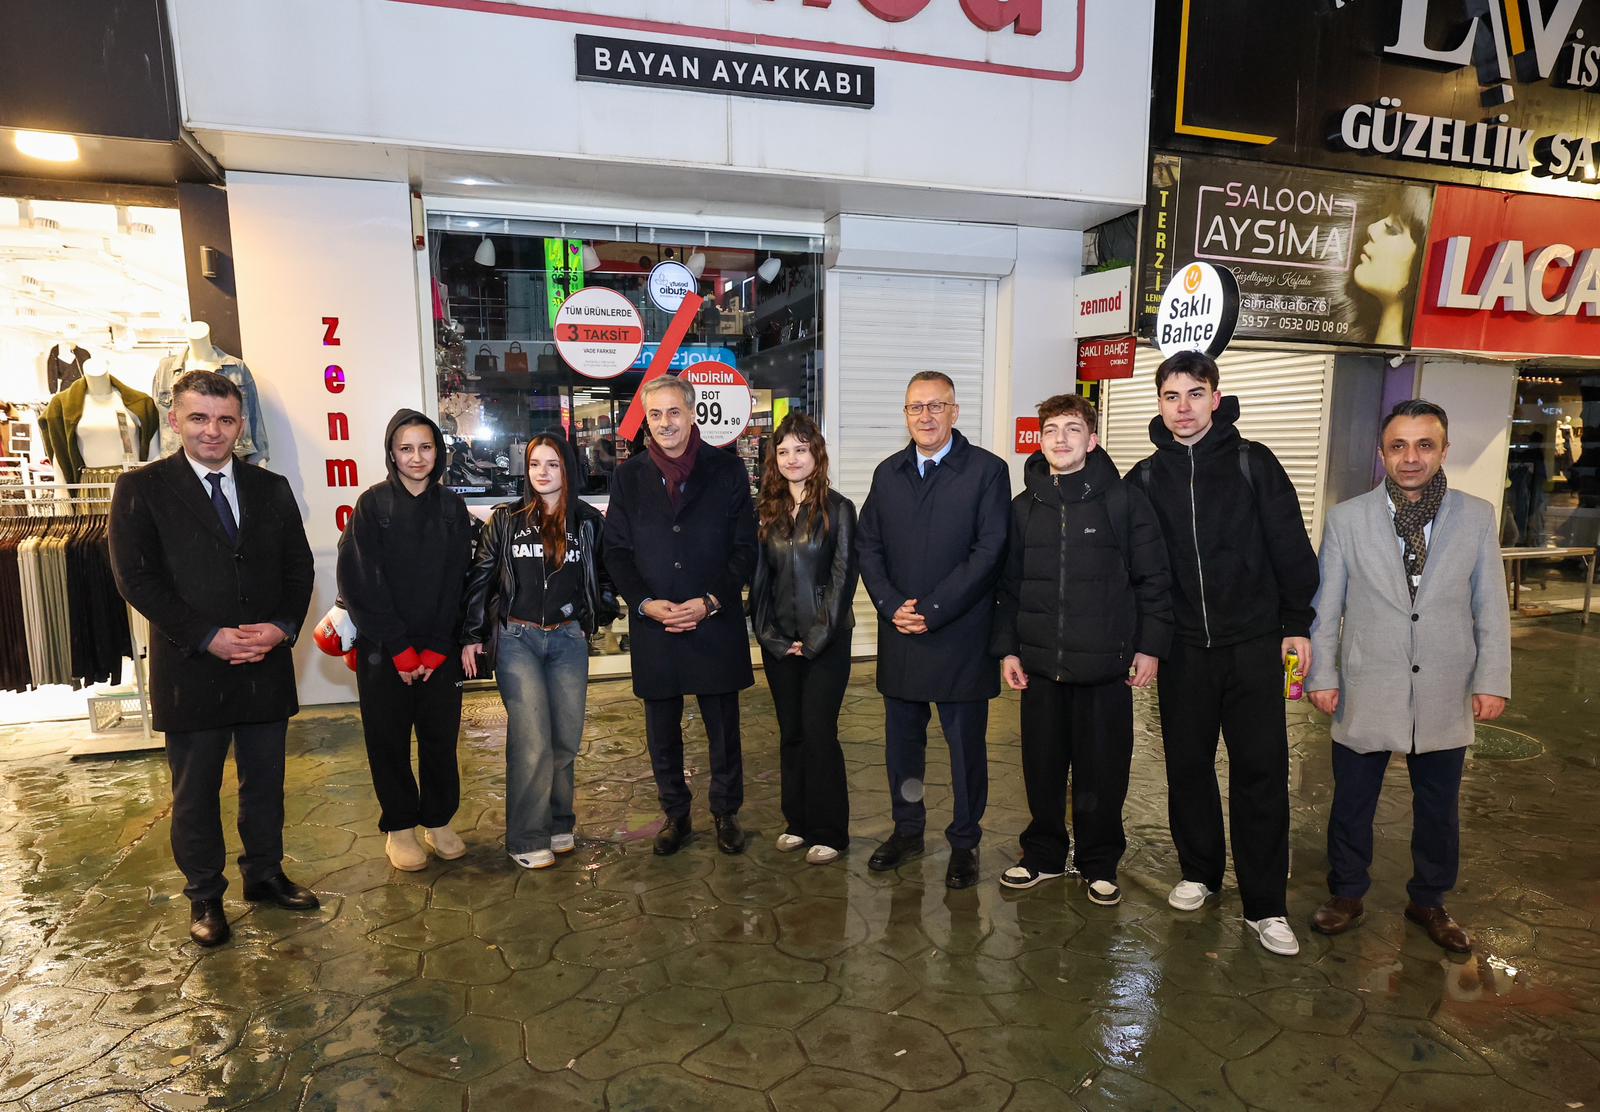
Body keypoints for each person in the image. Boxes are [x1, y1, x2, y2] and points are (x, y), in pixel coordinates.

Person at [108, 370, 316, 947]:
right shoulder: (141, 489)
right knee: (194, 791)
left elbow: (299, 570)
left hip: (263, 664)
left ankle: (265, 874)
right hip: (191, 666)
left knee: (266, 783)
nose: (212, 431)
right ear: (175, 420)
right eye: (198, 418)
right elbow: (136, 580)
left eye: (225, 420)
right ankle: (204, 896)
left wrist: (279, 628)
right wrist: (207, 636)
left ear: (241, 426)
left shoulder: (269, 489)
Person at [1132, 350, 1319, 956]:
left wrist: (1296, 622)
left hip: (1253, 644)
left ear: (1215, 397)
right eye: (1170, 396)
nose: (1182, 408)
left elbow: (1290, 545)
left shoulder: (1251, 463)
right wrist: (1147, 641)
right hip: (1184, 649)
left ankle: (1266, 904)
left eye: (1193, 394)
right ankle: (1199, 871)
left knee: (1261, 770)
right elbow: (1137, 569)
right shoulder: (1145, 476)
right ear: (1159, 403)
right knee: (1187, 764)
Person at [1306, 400, 1510, 953]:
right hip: (1367, 684)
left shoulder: (1475, 516)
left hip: (1445, 685)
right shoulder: (1347, 519)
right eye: (1399, 446)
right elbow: (1326, 609)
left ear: (1445, 451)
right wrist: (1321, 674)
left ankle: (1430, 899)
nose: (1411, 457)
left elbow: (1490, 604)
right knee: (1351, 802)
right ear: (1382, 454)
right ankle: (1346, 892)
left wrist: (1492, 679)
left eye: (1425, 445)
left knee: (1439, 806)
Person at [992, 394, 1173, 905]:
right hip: (1041, 666)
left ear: (1092, 440)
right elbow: (1008, 586)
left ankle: (1099, 862)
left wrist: (1150, 646)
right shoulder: (1024, 508)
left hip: (1106, 666)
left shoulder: (1124, 502)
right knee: (1042, 768)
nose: (1061, 440)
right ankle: (1043, 855)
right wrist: (1008, 649)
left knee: (1102, 772)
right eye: (1051, 431)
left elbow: (1153, 580)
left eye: (1073, 429)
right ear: (1040, 440)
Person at [857, 371, 1010, 889]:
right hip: (901, 633)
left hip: (961, 635)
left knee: (965, 749)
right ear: (905, 415)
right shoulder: (887, 474)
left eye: (936, 406)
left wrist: (935, 608)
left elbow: (989, 552)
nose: (925, 416)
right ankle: (907, 830)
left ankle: (964, 841)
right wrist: (891, 604)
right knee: (903, 747)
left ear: (955, 412)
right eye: (915, 407)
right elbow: (868, 547)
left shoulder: (988, 472)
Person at [604, 376, 757, 856]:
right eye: (655, 415)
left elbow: (744, 549)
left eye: (674, 412)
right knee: (661, 733)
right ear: (646, 420)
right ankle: (676, 815)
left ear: (693, 414)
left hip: (713, 621)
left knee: (724, 733)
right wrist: (645, 604)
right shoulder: (628, 477)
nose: (665, 423)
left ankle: (726, 813)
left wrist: (711, 601)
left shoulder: (728, 470)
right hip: (657, 624)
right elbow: (616, 552)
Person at [461, 436, 618, 869]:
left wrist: (597, 613)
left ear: (568, 468)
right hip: (518, 640)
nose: (542, 472)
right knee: (532, 741)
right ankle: (527, 837)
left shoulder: (587, 521)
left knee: (565, 740)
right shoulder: (506, 520)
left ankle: (558, 822)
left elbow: (605, 574)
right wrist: (472, 635)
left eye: (552, 464)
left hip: (568, 640)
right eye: (534, 464)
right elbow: (481, 579)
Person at [336, 409, 474, 872]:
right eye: (406, 448)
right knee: (388, 741)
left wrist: (437, 646)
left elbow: (461, 581)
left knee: (440, 740)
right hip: (383, 649)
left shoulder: (453, 509)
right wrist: (398, 647)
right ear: (392, 454)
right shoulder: (371, 505)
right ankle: (399, 828)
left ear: (438, 452)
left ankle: (439, 821)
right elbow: (360, 582)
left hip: (440, 651)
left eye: (426, 447)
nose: (417, 457)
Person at [750, 412, 858, 865]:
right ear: (774, 458)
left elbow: (842, 579)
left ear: (817, 453)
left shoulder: (838, 509)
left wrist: (814, 639)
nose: (792, 458)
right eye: (784, 450)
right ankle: (797, 822)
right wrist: (771, 637)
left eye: (801, 448)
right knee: (791, 734)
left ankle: (830, 831)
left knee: (818, 732)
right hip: (779, 644)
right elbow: (758, 584)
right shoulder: (767, 512)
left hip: (826, 644)